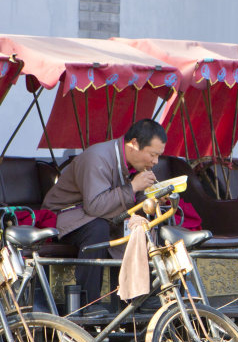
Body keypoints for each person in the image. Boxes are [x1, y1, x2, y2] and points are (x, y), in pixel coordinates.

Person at [42, 119, 167, 316]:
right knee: (97, 227)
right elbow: (95, 206)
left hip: (105, 214)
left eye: (158, 156)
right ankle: (87, 303)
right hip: (66, 215)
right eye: (153, 155)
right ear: (134, 144)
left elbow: (131, 199)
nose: (155, 162)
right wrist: (133, 187)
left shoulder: (134, 163)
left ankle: (140, 298)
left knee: (144, 224)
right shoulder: (97, 158)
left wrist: (153, 197)